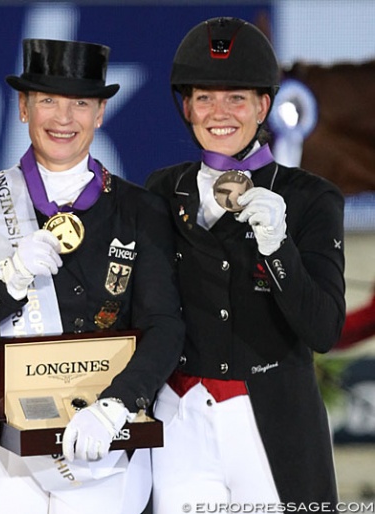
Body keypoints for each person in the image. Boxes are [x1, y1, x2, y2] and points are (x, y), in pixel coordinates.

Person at [0, 38, 184, 514]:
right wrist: (7, 285)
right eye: (48, 100)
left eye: (80, 104)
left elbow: (165, 326)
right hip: (1, 440)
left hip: (106, 434)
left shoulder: (140, 210)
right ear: (24, 108)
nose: (63, 118)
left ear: (101, 113)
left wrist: (117, 406)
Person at [145, 17, 346, 512]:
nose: (220, 113)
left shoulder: (311, 199)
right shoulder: (158, 192)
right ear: (187, 106)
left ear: (263, 106)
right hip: (181, 423)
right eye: (205, 97)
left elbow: (323, 329)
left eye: (236, 97)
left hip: (272, 421)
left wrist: (279, 251)